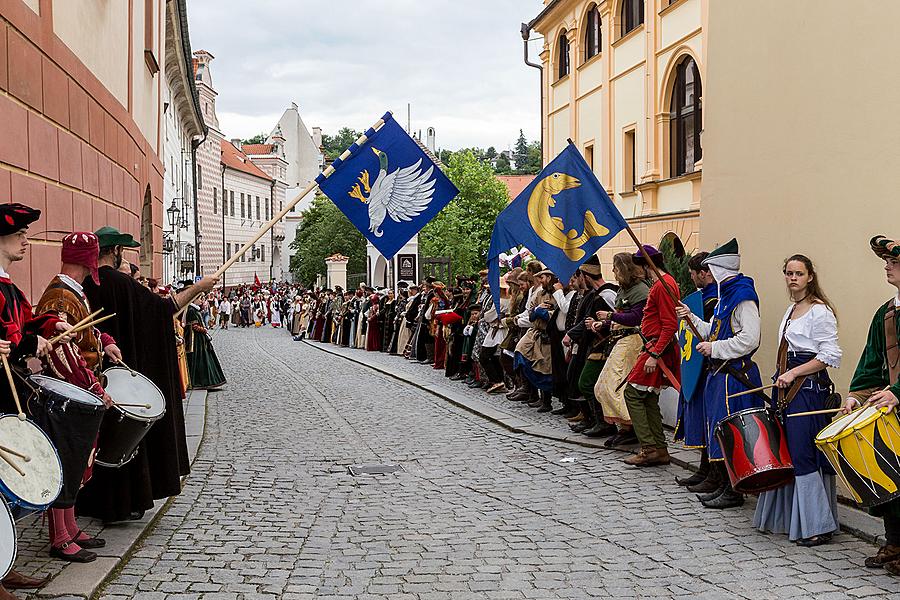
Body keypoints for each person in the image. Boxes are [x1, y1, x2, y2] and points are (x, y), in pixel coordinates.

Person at [76, 227, 218, 523]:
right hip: (123, 374)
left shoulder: (86, 284)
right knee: (124, 441)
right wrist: (200, 287)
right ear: (114, 252)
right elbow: (166, 308)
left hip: (92, 376)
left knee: (99, 441)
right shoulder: (119, 283)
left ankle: (92, 500)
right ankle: (123, 503)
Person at [33, 232, 121, 562]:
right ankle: (59, 536)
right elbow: (61, 349)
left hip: (76, 391)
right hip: (66, 394)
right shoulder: (60, 296)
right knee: (66, 462)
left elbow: (86, 331)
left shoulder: (73, 293)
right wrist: (93, 389)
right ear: (89, 260)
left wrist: (106, 340)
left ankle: (69, 527)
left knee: (78, 461)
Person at [0, 204, 68, 595]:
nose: (27, 239)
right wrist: (27, 341)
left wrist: (51, 324)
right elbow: (10, 335)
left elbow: (25, 321)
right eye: (20, 233)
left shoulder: (8, 285)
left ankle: (5, 563)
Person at [753, 254, 841, 546]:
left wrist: (793, 374)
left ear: (810, 277)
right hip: (787, 387)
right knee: (787, 452)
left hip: (807, 391)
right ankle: (789, 519)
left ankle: (818, 525)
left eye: (799, 273)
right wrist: (782, 375)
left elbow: (829, 356)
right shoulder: (791, 310)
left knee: (803, 453)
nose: (793, 278)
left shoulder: (820, 312)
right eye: (789, 273)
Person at [676, 238, 763, 508]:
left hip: (734, 376)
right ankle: (725, 484)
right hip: (721, 375)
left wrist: (715, 348)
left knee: (731, 432)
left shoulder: (742, 297)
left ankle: (733, 489)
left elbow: (750, 339)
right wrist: (691, 317)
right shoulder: (726, 297)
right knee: (719, 432)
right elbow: (711, 330)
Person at [840, 235, 900, 574]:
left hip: (897, 401)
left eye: (893, 262)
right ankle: (894, 541)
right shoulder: (887, 312)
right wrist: (856, 395)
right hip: (891, 412)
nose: (887, 266)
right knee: (889, 478)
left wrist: (898, 392)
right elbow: (871, 359)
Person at [622, 245, 681, 467]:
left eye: (638, 268)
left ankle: (649, 448)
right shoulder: (659, 284)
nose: (636, 273)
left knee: (633, 394)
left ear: (647, 266)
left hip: (658, 349)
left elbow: (669, 325)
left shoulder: (663, 286)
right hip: (653, 347)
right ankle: (659, 449)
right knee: (647, 398)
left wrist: (654, 354)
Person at [590, 253, 647, 443]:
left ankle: (632, 426)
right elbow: (620, 316)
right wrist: (604, 324)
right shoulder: (624, 290)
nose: (613, 271)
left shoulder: (640, 290)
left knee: (616, 386)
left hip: (631, 342)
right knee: (602, 386)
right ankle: (624, 426)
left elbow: (635, 318)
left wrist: (609, 317)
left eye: (615, 267)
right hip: (620, 341)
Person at [674, 252, 719, 489]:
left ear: (704, 273)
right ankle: (704, 468)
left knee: (710, 421)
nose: (691, 278)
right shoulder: (699, 299)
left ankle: (715, 473)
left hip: (711, 367)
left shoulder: (715, 302)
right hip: (699, 367)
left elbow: (711, 333)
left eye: (693, 274)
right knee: (702, 420)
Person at [513, 268, 559, 411]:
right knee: (521, 352)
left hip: (549, 334)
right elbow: (531, 312)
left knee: (545, 367)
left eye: (543, 277)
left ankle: (546, 401)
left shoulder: (558, 294)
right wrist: (538, 310)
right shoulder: (539, 294)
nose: (540, 280)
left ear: (550, 278)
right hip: (535, 332)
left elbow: (559, 313)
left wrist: (546, 313)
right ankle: (530, 390)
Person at [185, 298, 227, 390]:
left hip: (200, 338)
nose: (201, 301)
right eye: (200, 299)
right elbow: (193, 326)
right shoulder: (191, 310)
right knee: (198, 359)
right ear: (194, 300)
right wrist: (203, 329)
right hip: (196, 340)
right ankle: (198, 382)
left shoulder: (195, 310)